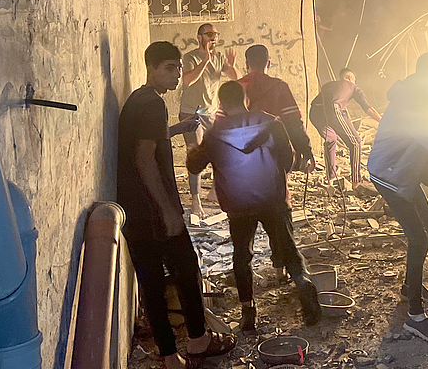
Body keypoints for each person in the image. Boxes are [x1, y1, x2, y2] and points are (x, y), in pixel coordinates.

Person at [117, 42, 236, 367]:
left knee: (152, 284)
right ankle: (198, 340)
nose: (176, 74)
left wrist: (176, 130)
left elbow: (146, 140)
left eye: (179, 68)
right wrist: (168, 210)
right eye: (169, 68)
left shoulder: (138, 100)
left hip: (133, 213)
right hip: (155, 214)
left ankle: (170, 356)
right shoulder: (154, 104)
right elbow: (143, 159)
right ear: (151, 68)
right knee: (186, 270)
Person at [187, 81, 323, 332]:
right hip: (273, 199)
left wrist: (194, 144)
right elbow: (287, 161)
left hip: (238, 204)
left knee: (242, 256)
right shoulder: (272, 122)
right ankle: (303, 284)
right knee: (289, 248)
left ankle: (248, 313)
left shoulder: (215, 134)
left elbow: (194, 166)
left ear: (222, 104)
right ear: (245, 99)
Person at [367, 52, 428, 343]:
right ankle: (415, 317)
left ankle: (410, 286)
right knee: (419, 237)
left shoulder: (419, 91)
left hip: (401, 170)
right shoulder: (414, 99)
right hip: (391, 175)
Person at [239, 44, 317, 282]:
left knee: (244, 225)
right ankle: (281, 269)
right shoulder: (279, 87)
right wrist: (306, 151)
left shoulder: (236, 88)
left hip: (243, 163)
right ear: (268, 63)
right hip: (273, 162)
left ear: (246, 63)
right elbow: (294, 123)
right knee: (280, 216)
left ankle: (245, 283)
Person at [179, 23, 238, 217]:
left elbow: (236, 78)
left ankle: (215, 192)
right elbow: (188, 80)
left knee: (219, 151)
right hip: (191, 113)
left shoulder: (219, 58)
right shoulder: (190, 57)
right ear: (199, 37)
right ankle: (196, 201)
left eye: (216, 34)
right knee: (195, 153)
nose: (214, 38)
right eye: (209, 34)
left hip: (211, 113)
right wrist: (205, 60)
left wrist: (232, 65)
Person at [309, 68, 382, 189]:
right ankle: (356, 182)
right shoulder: (353, 87)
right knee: (355, 142)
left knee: (331, 139)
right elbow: (367, 108)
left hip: (315, 111)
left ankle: (330, 179)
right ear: (350, 78)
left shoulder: (330, 85)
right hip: (333, 109)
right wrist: (382, 121)